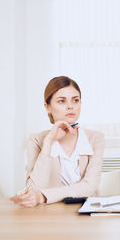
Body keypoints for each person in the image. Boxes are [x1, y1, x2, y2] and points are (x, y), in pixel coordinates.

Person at [11, 76, 104, 207]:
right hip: (50, 215)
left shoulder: (95, 138)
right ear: (47, 107)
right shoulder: (36, 140)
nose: (70, 106)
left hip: (88, 213)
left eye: (75, 100)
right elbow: (33, 189)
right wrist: (49, 141)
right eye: (62, 101)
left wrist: (44, 196)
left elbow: (89, 186)